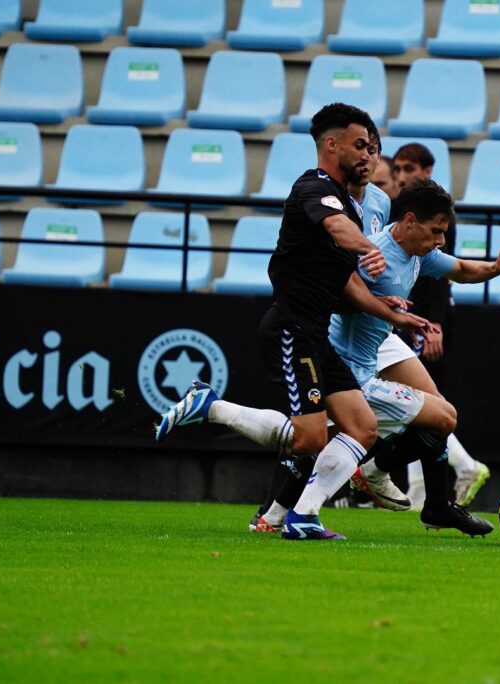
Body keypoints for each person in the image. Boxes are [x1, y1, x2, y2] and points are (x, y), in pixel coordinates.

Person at [157, 103, 430, 541]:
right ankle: (212, 407)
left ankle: (303, 517)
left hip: (315, 335)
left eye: (371, 148)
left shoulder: (350, 202)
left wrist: (392, 311)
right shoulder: (313, 186)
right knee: (309, 440)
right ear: (331, 144)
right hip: (291, 329)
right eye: (359, 145)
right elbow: (339, 229)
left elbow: (347, 285)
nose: (367, 155)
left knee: (362, 427)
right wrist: (368, 249)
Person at [256, 179, 500, 536]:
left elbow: (460, 269)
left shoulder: (420, 253)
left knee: (427, 415)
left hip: (371, 359)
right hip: (349, 371)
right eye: (436, 231)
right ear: (410, 220)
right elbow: (341, 290)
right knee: (440, 418)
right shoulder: (377, 256)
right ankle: (371, 479)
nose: (440, 241)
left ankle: (431, 503)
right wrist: (390, 312)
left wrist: (495, 266)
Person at [391, 144, 491, 508]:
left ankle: (464, 466)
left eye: (408, 168)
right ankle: (420, 494)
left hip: (424, 319)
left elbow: (442, 273)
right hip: (407, 317)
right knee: (415, 408)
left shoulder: (437, 213)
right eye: (398, 168)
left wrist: (433, 323)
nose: (402, 175)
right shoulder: (405, 211)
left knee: (421, 405)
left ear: (427, 170)